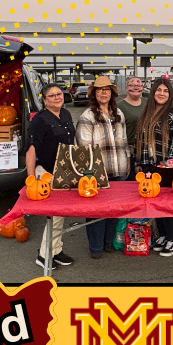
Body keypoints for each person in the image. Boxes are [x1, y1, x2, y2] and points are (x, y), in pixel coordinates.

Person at [135, 79, 173, 258]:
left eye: (165, 91)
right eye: (158, 90)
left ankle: (172, 239)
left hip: (166, 166)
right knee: (154, 203)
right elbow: (140, 142)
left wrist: (165, 167)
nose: (161, 93)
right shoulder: (146, 113)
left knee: (167, 204)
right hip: (148, 164)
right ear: (153, 92)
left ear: (170, 95)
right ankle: (162, 235)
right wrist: (139, 163)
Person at [75, 76, 130, 260]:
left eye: (107, 89)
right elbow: (84, 147)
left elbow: (124, 141)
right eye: (100, 90)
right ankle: (96, 247)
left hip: (118, 167)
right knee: (96, 211)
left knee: (113, 209)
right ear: (95, 94)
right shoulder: (87, 116)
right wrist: (90, 172)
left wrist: (127, 160)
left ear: (112, 93)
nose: (104, 93)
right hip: (98, 171)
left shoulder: (118, 114)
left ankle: (108, 243)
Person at [29, 83, 77, 269]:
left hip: (64, 170)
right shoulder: (39, 120)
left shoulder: (65, 114)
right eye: (51, 95)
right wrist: (31, 177)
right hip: (47, 172)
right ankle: (43, 255)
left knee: (60, 214)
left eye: (59, 94)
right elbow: (31, 149)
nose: (57, 97)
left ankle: (56, 250)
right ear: (44, 100)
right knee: (54, 215)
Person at [118, 77, 147, 148]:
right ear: (127, 87)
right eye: (132, 85)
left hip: (146, 146)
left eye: (138, 85)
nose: (136, 88)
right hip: (128, 147)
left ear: (142, 88)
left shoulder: (148, 103)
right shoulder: (119, 106)